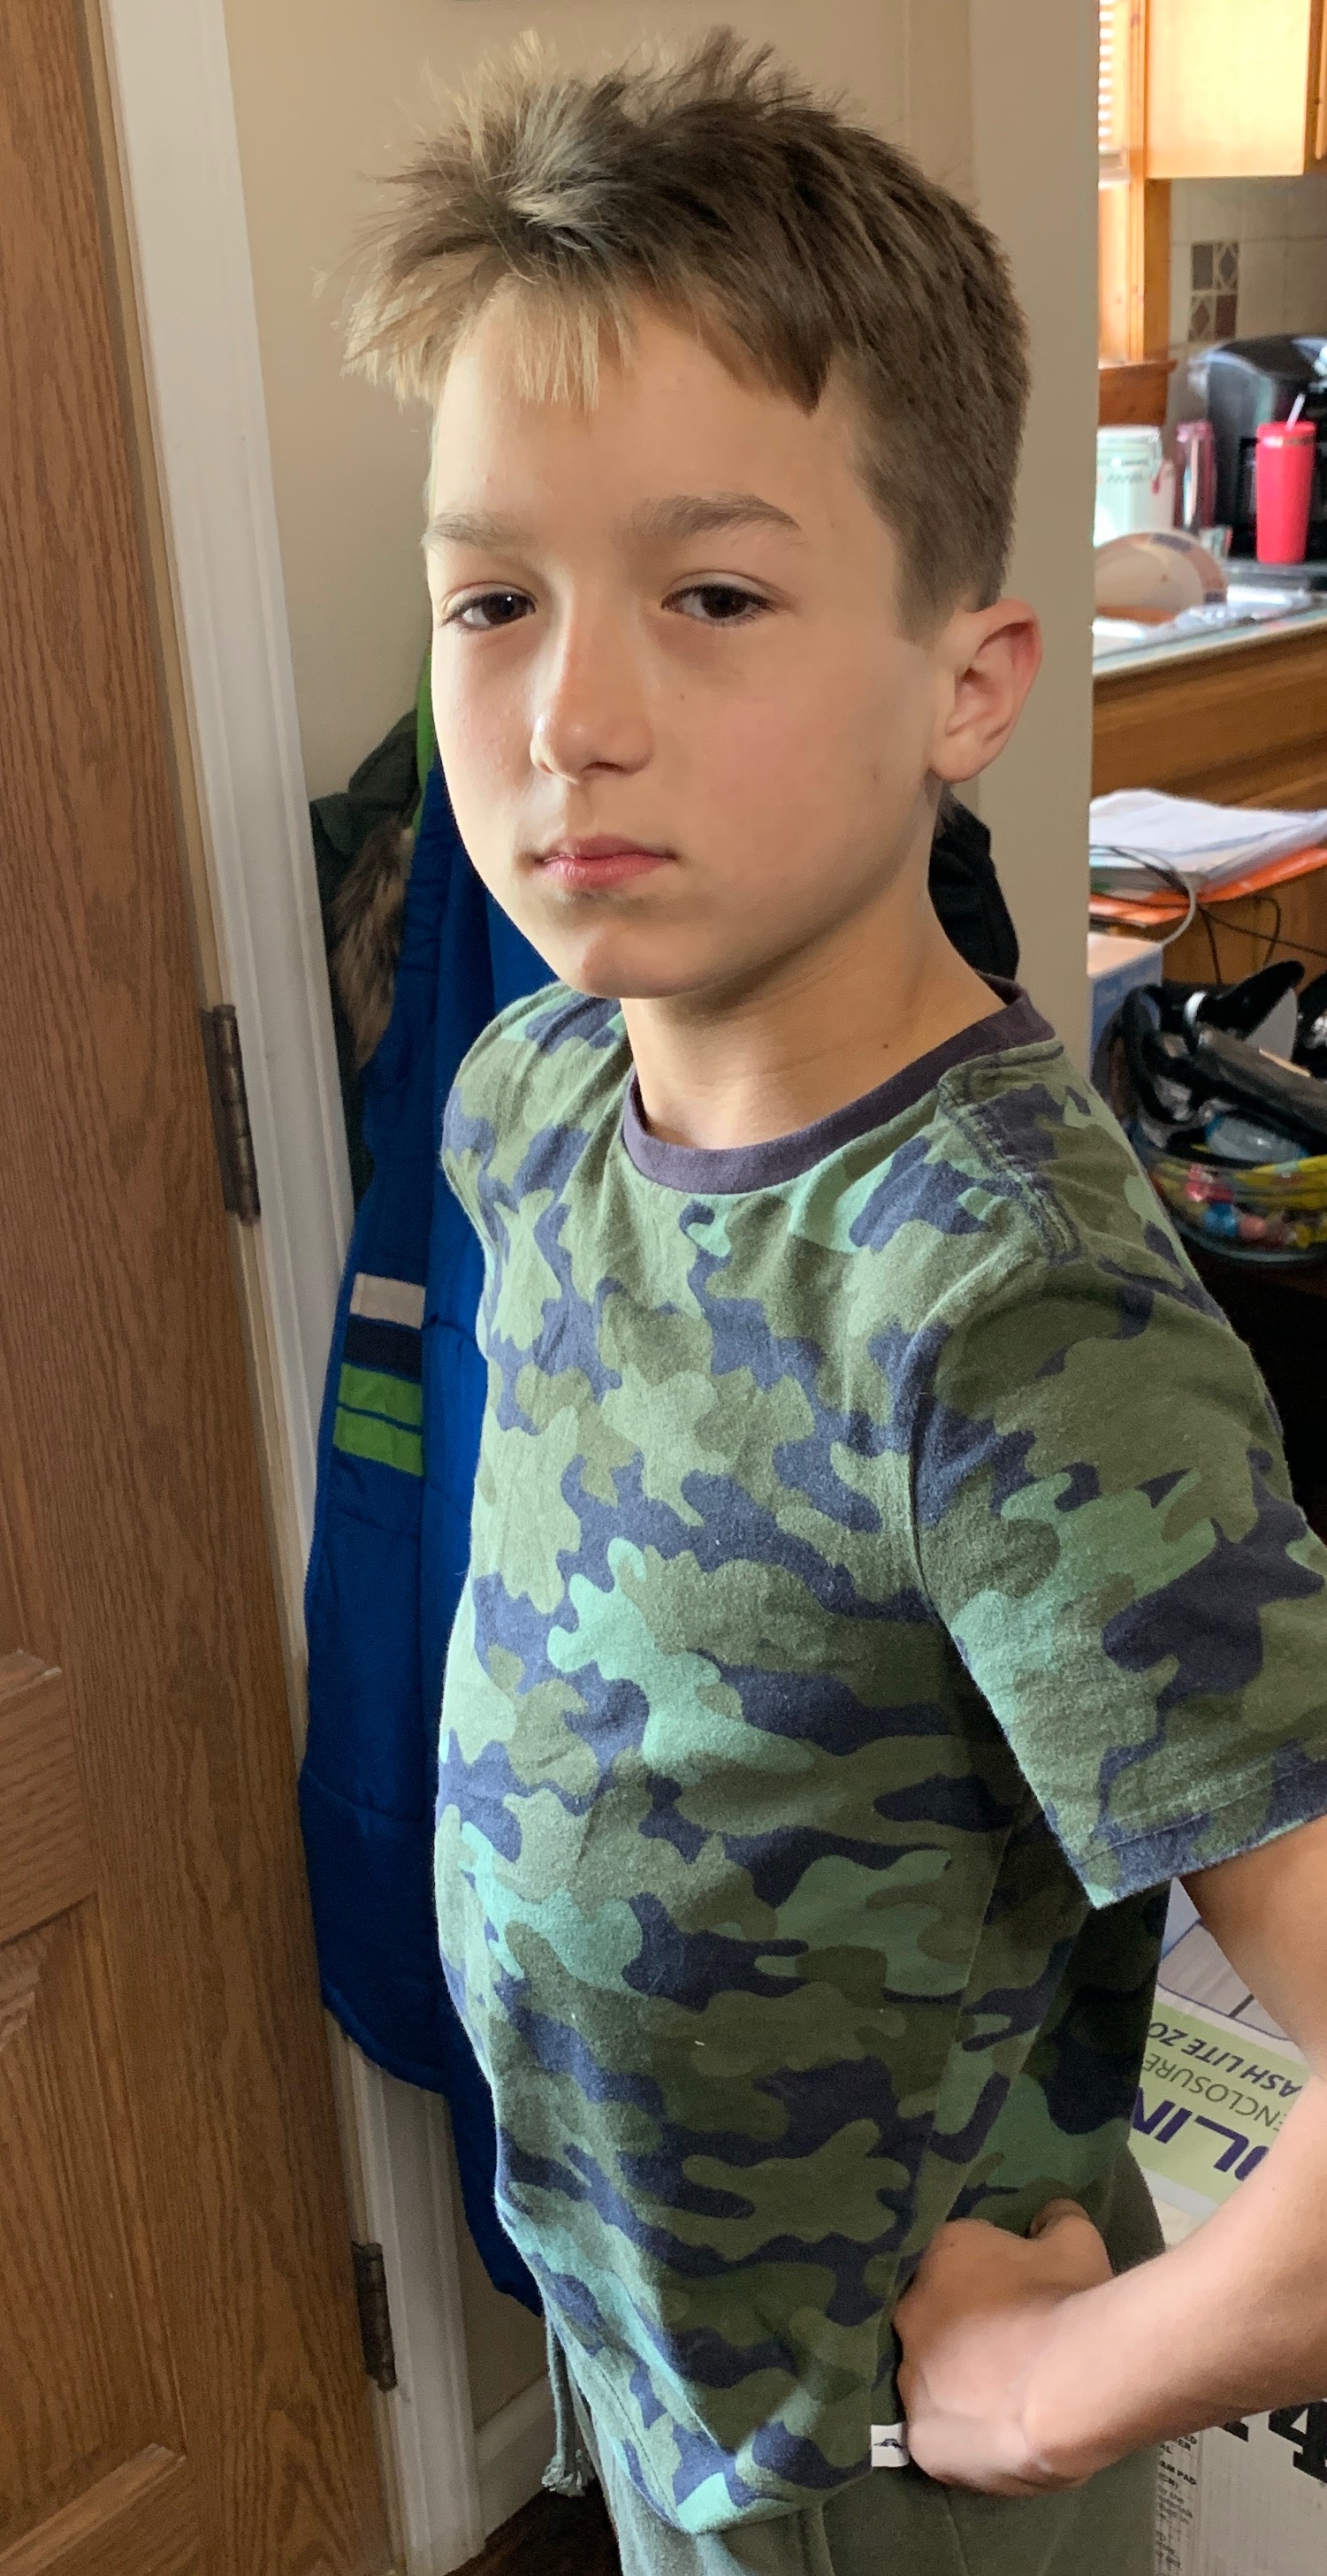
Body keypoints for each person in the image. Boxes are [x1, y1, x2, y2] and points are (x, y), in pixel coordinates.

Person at [346, 35, 1327, 2574]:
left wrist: (1061, 2384)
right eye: (493, 599)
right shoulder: (533, 1098)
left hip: (878, 2469)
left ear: (968, 683)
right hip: (646, 2342)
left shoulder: (1013, 1312)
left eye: (713, 596)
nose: (567, 719)